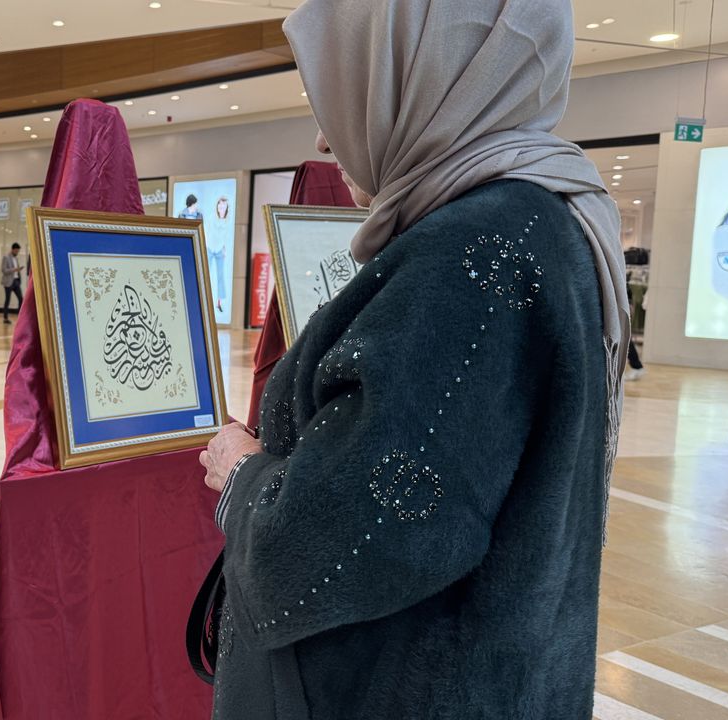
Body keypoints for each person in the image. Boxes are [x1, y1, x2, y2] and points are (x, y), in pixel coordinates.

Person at [198, 1, 629, 717]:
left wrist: (242, 475)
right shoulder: (540, 218)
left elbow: (359, 537)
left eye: (349, 89)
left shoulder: (474, 252)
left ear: (418, 78)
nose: (325, 137)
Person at [205, 196, 231, 315]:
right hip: (210, 248)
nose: (221, 206)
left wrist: (224, 249)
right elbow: (208, 233)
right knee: (206, 274)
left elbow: (225, 236)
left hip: (220, 249)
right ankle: (205, 299)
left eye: (223, 205)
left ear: (226, 207)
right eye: (219, 204)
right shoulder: (212, 218)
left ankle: (219, 302)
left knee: (221, 276)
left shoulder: (227, 220)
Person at [2, 242, 24, 324]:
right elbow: (4, 270)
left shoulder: (16, 258)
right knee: (7, 300)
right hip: (8, 282)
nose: (17, 252)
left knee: (21, 299)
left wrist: (19, 277)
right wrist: (14, 269)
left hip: (16, 281)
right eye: (16, 251)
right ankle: (5, 318)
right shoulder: (6, 257)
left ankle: (20, 317)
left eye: (18, 251)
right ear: (13, 249)